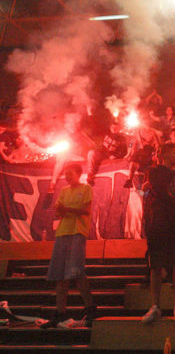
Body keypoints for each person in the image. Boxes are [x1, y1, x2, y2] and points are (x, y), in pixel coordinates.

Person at [141, 143, 175, 323]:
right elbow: (159, 188)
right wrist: (174, 172)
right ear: (164, 155)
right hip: (159, 223)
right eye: (174, 153)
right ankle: (155, 306)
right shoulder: (155, 171)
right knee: (156, 265)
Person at [42, 163, 97, 328]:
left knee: (76, 271)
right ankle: (60, 312)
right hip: (62, 233)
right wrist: (67, 210)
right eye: (65, 174)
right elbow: (59, 211)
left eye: (69, 174)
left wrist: (67, 209)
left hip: (77, 232)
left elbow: (85, 210)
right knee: (60, 274)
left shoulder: (86, 189)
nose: (66, 177)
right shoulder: (64, 191)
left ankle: (91, 308)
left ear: (78, 174)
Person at [86, 121, 128, 186]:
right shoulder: (106, 134)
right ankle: (90, 175)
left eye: (116, 128)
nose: (114, 129)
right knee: (91, 153)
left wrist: (116, 156)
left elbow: (124, 152)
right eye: (112, 127)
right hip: (102, 153)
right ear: (110, 128)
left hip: (112, 157)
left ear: (119, 129)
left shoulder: (122, 139)